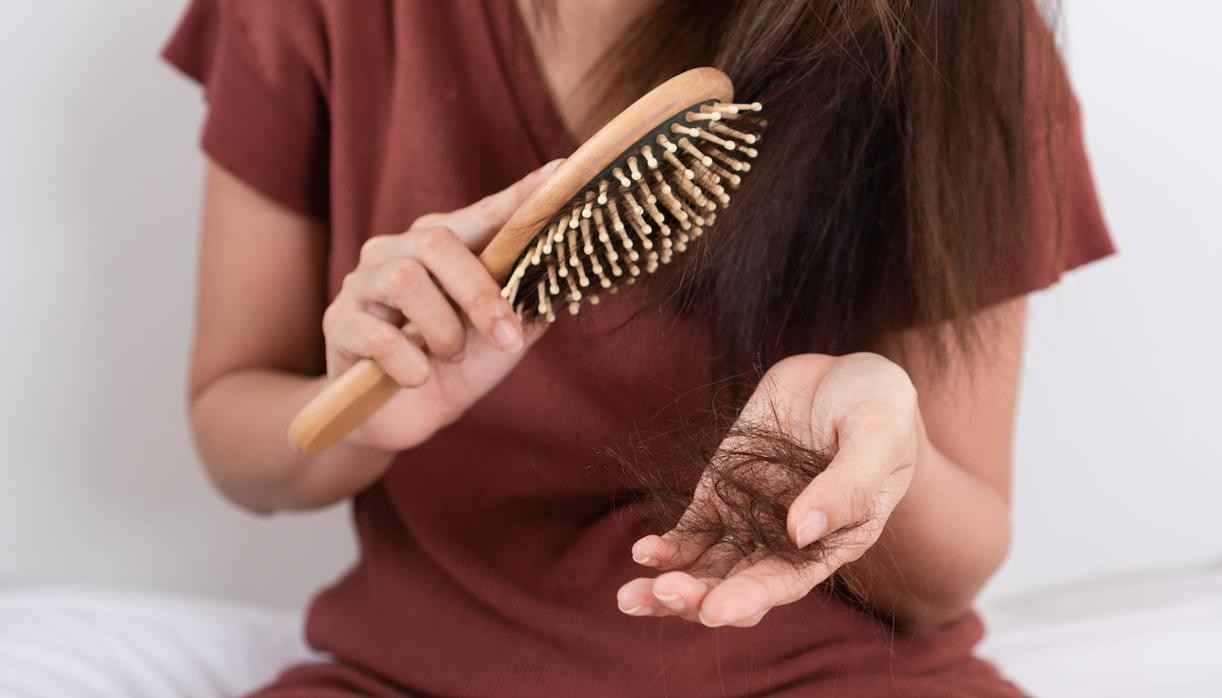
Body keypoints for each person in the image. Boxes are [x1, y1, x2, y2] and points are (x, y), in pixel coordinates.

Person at [165, 0, 1113, 695]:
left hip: (833, 677)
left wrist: (870, 445)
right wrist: (369, 402)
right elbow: (235, 436)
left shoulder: (954, 32)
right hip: (416, 676)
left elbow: (952, 573)